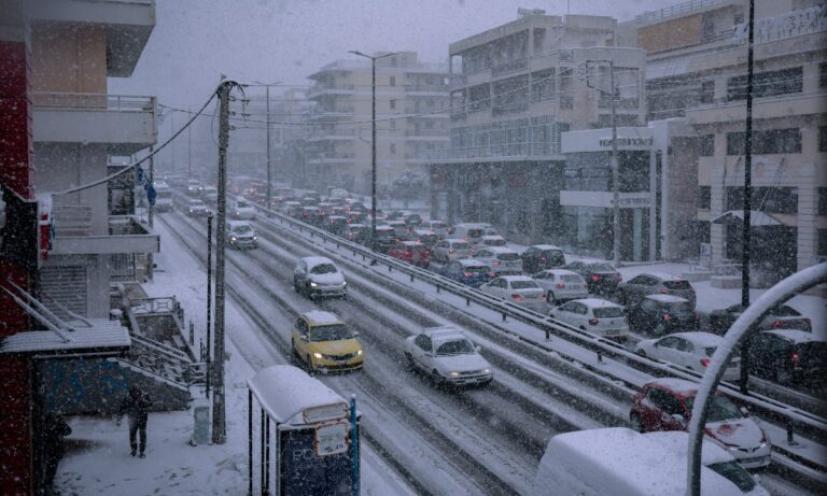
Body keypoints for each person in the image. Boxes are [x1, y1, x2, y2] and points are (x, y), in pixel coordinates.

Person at [117, 385, 152, 458]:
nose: (136, 393)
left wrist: (142, 401)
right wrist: (119, 419)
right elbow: (122, 408)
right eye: (134, 392)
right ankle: (133, 450)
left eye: (137, 392)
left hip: (142, 418)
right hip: (132, 418)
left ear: (139, 391)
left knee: (142, 434)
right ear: (131, 392)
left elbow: (150, 404)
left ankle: (142, 451)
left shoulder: (145, 395)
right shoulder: (128, 398)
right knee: (132, 434)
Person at [42, 413, 71, 492]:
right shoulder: (47, 424)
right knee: (49, 470)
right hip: (51, 451)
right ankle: (46, 486)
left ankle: (47, 485)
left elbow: (68, 431)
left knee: (51, 469)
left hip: (54, 451)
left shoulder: (57, 425)